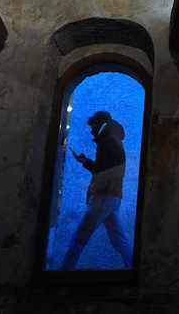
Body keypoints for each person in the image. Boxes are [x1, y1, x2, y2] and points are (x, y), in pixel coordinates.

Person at [60, 110, 133, 270]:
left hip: (103, 198)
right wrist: (85, 161)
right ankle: (134, 270)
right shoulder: (112, 140)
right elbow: (106, 169)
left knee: (77, 241)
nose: (91, 129)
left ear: (100, 125)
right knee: (120, 242)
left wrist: (97, 191)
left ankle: (62, 275)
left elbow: (105, 172)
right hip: (112, 198)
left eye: (92, 125)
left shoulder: (108, 141)